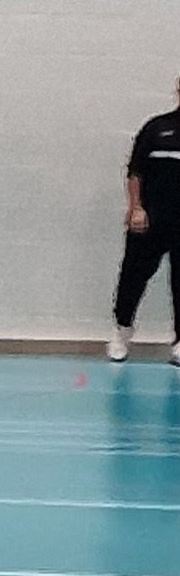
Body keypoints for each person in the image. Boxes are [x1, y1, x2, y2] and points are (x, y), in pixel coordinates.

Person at [113, 77, 180, 366]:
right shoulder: (156, 128)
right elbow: (135, 172)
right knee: (133, 275)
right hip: (151, 219)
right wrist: (136, 208)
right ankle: (121, 331)